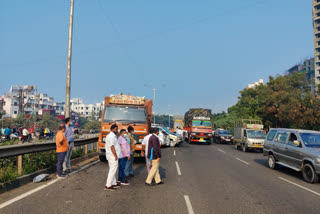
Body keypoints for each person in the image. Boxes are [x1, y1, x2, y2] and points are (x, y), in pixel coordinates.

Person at [105, 124, 122, 191]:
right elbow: (112, 147)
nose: (117, 130)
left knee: (113, 169)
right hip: (112, 156)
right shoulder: (111, 137)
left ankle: (113, 183)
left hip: (111, 155)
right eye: (116, 129)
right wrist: (115, 156)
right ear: (112, 129)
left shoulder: (112, 136)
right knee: (112, 170)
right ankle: (108, 185)